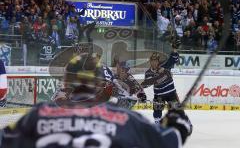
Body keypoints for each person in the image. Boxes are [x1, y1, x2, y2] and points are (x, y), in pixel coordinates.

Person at [0, 52, 192, 148]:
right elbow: (170, 139)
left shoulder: (38, 115)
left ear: (67, 81)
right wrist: (178, 124)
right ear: (100, 81)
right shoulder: (125, 119)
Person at [142, 49, 181, 124]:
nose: (154, 62)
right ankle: (158, 125)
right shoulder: (148, 72)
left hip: (171, 94)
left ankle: (180, 125)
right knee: (157, 113)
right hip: (159, 95)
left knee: (177, 111)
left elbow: (174, 59)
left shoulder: (166, 66)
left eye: (156, 61)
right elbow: (146, 84)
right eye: (152, 60)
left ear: (158, 61)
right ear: (150, 61)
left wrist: (175, 50)